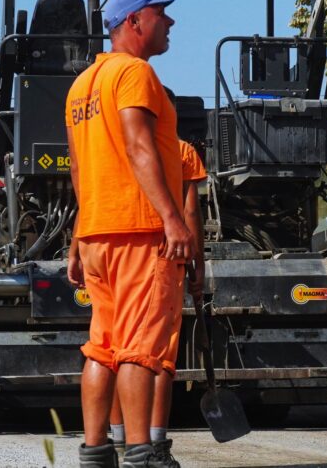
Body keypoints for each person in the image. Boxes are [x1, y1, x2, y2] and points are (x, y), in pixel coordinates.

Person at [65, 0, 194, 468]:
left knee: (102, 347)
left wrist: (78, 238)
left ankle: (95, 451)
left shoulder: (82, 85)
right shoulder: (135, 73)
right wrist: (172, 218)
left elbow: (79, 171)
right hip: (138, 232)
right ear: (134, 22)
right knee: (140, 350)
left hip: (98, 233)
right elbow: (140, 147)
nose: (171, 23)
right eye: (162, 14)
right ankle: (141, 454)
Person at [103, 136, 207, 466]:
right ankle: (155, 446)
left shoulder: (118, 145)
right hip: (161, 253)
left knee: (117, 350)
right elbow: (190, 210)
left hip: (116, 253)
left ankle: (120, 441)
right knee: (159, 356)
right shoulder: (181, 151)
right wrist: (198, 263)